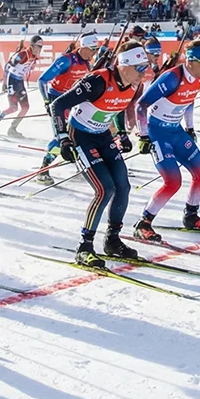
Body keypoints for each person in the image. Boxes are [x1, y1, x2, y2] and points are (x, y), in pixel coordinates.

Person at [50, 41, 149, 267]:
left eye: (146, 66)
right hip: (81, 136)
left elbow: (118, 106)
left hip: (103, 135)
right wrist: (62, 138)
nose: (144, 72)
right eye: (140, 67)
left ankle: (112, 241)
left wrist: (122, 132)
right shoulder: (97, 81)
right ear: (124, 65)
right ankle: (84, 247)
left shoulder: (134, 84)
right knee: (105, 189)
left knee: (123, 185)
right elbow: (57, 105)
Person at [133, 40, 200, 242]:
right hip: (158, 133)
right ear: (191, 61)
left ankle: (191, 215)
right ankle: (143, 223)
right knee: (173, 182)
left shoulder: (198, 78)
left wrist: (189, 128)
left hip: (176, 131)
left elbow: (189, 102)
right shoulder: (172, 78)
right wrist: (144, 136)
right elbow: (141, 105)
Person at [34, 33, 99, 184]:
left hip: (72, 101)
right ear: (83, 47)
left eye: (96, 50)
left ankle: (81, 164)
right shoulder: (66, 60)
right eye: (92, 49)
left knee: (79, 134)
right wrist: (46, 102)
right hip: (56, 101)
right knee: (61, 137)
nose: (94, 53)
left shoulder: (87, 63)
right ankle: (43, 169)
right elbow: (42, 80)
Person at [0, 35, 43, 137]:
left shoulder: (34, 57)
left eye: (41, 47)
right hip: (12, 80)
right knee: (13, 108)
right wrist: (5, 83)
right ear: (32, 45)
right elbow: (8, 65)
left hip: (20, 82)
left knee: (25, 107)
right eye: (38, 46)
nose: (39, 49)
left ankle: (12, 129)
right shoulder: (24, 54)